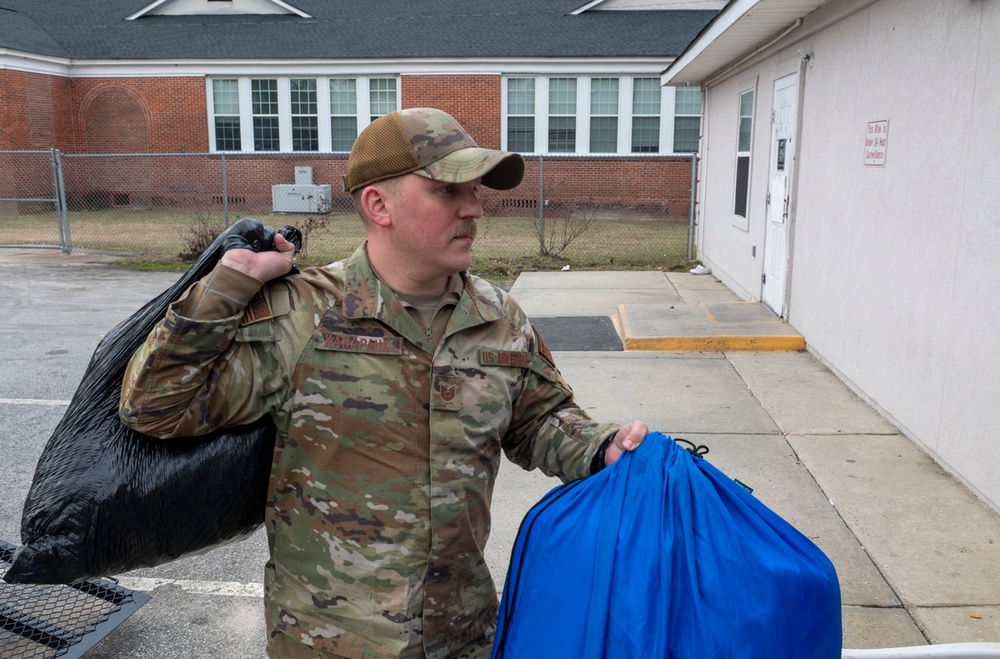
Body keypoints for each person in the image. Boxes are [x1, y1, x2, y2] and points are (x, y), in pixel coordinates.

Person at [119, 107, 648, 659]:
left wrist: (601, 446)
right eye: (449, 191)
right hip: (331, 643)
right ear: (378, 205)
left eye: (475, 191)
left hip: (462, 637)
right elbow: (153, 407)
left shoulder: (499, 317)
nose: (473, 208)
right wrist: (227, 286)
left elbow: (539, 420)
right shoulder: (301, 316)